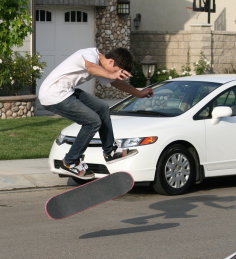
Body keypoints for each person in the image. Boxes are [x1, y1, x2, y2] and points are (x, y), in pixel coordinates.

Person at [38, 47, 154, 180]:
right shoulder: (89, 55)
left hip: (67, 91)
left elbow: (116, 82)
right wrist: (111, 74)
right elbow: (91, 67)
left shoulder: (102, 66)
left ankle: (110, 152)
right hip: (53, 95)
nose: (113, 74)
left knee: (103, 108)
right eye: (116, 71)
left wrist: (139, 93)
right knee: (93, 121)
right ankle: (70, 162)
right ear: (111, 62)